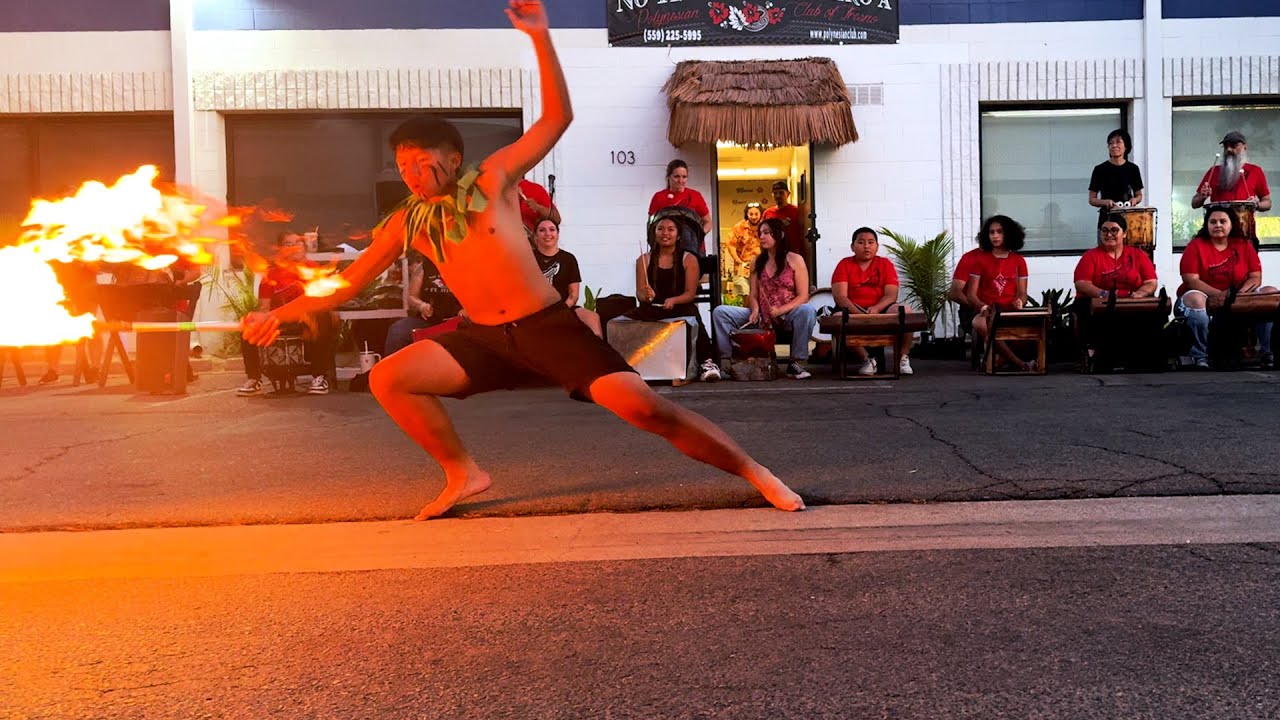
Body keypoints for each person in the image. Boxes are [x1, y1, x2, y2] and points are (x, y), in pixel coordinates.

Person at [241, 0, 802, 518]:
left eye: (423, 161)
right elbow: (345, 284)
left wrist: (539, 36)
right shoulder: (406, 220)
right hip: (481, 337)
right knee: (389, 378)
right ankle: (464, 472)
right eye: (403, 164)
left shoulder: (493, 179)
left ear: (453, 157)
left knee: (649, 411)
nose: (412, 173)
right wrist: (278, 314)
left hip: (546, 328)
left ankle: (755, 471)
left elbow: (556, 119)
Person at [711, 217, 816, 380]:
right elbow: (753, 294)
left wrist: (780, 310)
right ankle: (727, 361)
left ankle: (796, 362)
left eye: (767, 233)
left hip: (787, 314)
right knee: (720, 312)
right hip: (762, 315)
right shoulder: (757, 261)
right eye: (760, 233)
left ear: (779, 235)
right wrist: (755, 309)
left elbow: (803, 296)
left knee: (807, 310)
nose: (761, 237)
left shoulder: (795, 259)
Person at [238, 231, 337, 395]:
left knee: (324, 317)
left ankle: (319, 377)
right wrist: (260, 321)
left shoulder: (314, 269)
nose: (294, 247)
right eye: (288, 244)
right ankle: (254, 379)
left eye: (298, 243)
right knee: (249, 323)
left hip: (308, 319)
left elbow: (323, 300)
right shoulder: (271, 274)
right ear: (281, 249)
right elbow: (264, 307)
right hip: (282, 319)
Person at [1176, 208, 1275, 369]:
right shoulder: (1196, 246)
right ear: (1206, 225)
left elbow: (1255, 277)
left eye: (1223, 221)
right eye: (1213, 222)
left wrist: (1239, 295)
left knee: (1269, 293)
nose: (1218, 225)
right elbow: (1191, 280)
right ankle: (1200, 356)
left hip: (1238, 296)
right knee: (1196, 299)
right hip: (1203, 296)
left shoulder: (1243, 245)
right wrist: (1221, 295)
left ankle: (1268, 353)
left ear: (1231, 225)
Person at [633, 216, 720, 381]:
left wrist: (673, 300)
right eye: (660, 229)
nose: (665, 233)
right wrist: (645, 295)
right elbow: (639, 293)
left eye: (670, 229)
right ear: (655, 233)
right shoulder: (644, 260)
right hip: (653, 308)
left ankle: (707, 363)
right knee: (621, 322)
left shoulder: (689, 259)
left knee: (693, 315)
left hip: (680, 306)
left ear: (678, 235)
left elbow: (689, 293)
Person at [830, 227, 915, 376]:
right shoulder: (844, 264)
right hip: (853, 310)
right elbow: (840, 297)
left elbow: (891, 295)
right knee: (837, 319)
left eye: (871, 242)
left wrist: (876, 308)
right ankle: (867, 360)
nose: (866, 246)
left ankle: (903, 357)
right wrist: (859, 314)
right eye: (861, 242)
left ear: (877, 246)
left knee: (906, 311)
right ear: (852, 246)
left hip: (881, 308)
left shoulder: (885, 264)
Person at [964, 215, 1033, 371]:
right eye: (991, 232)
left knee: (1032, 330)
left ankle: (997, 361)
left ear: (1008, 234)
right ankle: (1020, 364)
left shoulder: (1018, 261)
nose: (995, 236)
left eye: (999, 232)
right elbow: (971, 295)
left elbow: (1023, 293)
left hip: (1010, 312)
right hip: (986, 312)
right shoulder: (980, 260)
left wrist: (1020, 302)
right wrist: (982, 307)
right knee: (983, 324)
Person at [532, 217, 601, 336]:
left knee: (592, 318)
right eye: (542, 230)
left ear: (558, 234)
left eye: (552, 229)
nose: (547, 233)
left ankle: (599, 354)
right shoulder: (527, 258)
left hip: (563, 308)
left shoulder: (569, 259)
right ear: (536, 235)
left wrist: (561, 309)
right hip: (536, 310)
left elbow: (573, 295)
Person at [384, 253, 463, 356]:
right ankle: (392, 370)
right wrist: (421, 305)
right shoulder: (423, 267)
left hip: (459, 322)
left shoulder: (464, 265)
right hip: (429, 320)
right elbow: (411, 297)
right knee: (397, 331)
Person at [1073, 214, 1158, 301]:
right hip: (1096, 305)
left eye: (1114, 230)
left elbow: (1151, 282)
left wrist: (1140, 294)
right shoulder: (1090, 256)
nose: (1109, 235)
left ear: (1124, 233)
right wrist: (1105, 294)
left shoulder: (1138, 255)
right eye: (1104, 230)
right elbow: (1082, 284)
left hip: (1132, 303)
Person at [1191, 131, 1272, 211]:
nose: (1229, 149)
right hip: (1218, 222)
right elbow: (1194, 204)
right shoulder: (1213, 171)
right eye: (1225, 146)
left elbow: (1267, 202)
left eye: (1233, 146)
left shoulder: (1255, 171)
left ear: (1245, 147)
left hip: (1244, 222)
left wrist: (1256, 205)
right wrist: (1202, 196)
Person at [1088, 129, 1144, 222]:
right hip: (1107, 217)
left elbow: (1139, 195)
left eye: (1118, 142)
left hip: (1128, 217)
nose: (1114, 145)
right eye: (1110, 143)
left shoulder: (1133, 168)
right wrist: (1105, 202)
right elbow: (1092, 199)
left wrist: (1135, 200)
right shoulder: (1100, 169)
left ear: (1126, 146)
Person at [648, 159, 712, 235]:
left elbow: (708, 222)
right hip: (666, 243)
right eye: (676, 176)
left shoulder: (695, 196)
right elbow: (651, 224)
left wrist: (698, 236)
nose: (680, 180)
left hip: (691, 244)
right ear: (668, 177)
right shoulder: (658, 197)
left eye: (684, 177)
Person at [763, 180, 807, 266]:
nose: (778, 196)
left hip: (792, 255)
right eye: (775, 193)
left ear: (788, 194)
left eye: (781, 193)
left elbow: (803, 232)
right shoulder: (767, 213)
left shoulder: (796, 211)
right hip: (773, 256)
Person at [723, 202, 762, 295]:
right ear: (746, 214)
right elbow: (730, 244)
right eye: (751, 214)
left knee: (760, 295)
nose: (753, 217)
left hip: (760, 268)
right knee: (746, 293)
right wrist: (737, 260)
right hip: (742, 268)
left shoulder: (764, 227)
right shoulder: (739, 227)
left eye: (756, 214)